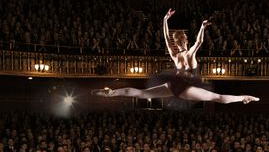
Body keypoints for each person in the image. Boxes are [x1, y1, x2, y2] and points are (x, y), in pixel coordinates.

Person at [92, 9, 260, 104]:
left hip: (172, 85)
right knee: (218, 98)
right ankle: (244, 97)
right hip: (185, 88)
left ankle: (111, 93)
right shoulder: (190, 52)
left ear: (177, 42)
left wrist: (165, 20)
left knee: (142, 94)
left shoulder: (175, 54)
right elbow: (200, 41)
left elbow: (166, 37)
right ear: (185, 40)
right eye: (186, 37)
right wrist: (202, 27)